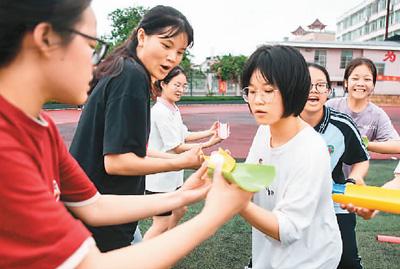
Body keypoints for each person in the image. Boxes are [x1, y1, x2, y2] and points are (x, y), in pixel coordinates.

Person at [0, 1, 253, 268]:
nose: (97, 61)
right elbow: (91, 264)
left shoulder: (43, 129)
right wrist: (214, 215)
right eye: (91, 47)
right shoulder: (6, 148)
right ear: (46, 38)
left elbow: (94, 206)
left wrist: (185, 195)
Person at [69, 5, 206, 252]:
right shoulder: (132, 76)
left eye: (180, 52)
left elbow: (132, 148)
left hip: (98, 211)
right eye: (166, 46)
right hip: (102, 217)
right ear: (142, 36)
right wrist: (180, 162)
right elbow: (118, 161)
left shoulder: (122, 67)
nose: (173, 58)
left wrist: (183, 157)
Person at [239, 45, 342, 269]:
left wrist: (235, 203)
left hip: (311, 259)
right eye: (252, 91)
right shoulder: (265, 130)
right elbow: (249, 179)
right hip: (269, 254)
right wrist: (225, 176)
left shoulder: (311, 149)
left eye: (268, 90)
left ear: (292, 89)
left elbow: (288, 228)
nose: (257, 100)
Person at [300, 63, 369, 269]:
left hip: (334, 205)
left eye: (321, 85)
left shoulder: (342, 125)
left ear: (328, 91)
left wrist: (352, 182)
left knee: (347, 261)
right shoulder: (282, 123)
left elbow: (361, 160)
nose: (314, 90)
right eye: (308, 85)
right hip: (293, 204)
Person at [144, 66, 223, 240]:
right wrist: (209, 144)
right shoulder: (160, 112)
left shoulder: (172, 108)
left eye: (184, 86)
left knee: (181, 209)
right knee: (160, 223)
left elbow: (184, 135)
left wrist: (209, 132)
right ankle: (144, 257)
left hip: (171, 175)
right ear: (163, 84)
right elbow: (177, 146)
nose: (181, 89)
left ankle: (165, 243)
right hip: (160, 178)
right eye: (177, 85)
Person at [327, 58, 400, 220]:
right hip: (323, 177)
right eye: (355, 78)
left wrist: (364, 144)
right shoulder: (331, 106)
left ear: (373, 85)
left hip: (349, 185)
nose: (361, 83)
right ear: (346, 83)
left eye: (367, 79)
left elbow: (397, 145)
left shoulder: (377, 115)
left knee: (345, 233)